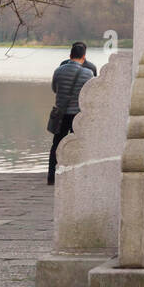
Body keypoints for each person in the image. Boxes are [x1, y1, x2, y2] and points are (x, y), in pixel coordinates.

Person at [47, 42, 97, 185]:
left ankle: (51, 177)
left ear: (70, 55)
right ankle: (79, 176)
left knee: (56, 144)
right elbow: (90, 95)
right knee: (79, 145)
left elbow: (54, 89)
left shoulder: (58, 70)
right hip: (78, 115)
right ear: (83, 57)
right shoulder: (88, 73)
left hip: (61, 114)